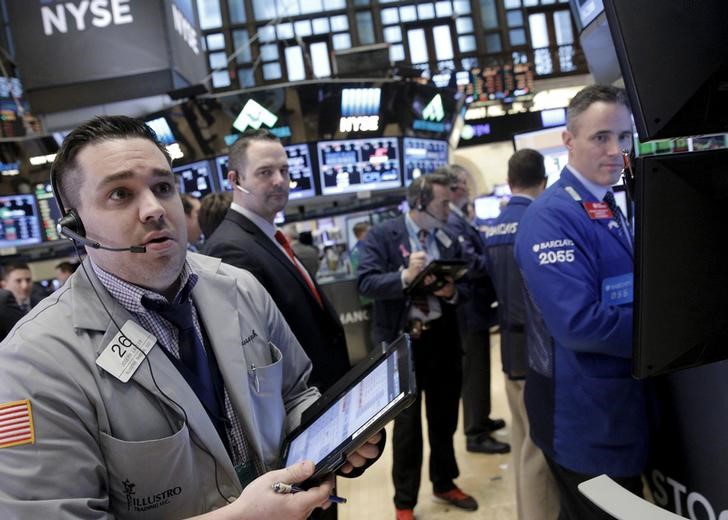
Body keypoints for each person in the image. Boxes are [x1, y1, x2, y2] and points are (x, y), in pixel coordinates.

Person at [0, 115, 381, 519]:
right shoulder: (32, 363)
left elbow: (295, 395)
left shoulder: (240, 288)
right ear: (75, 225)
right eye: (119, 194)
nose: (153, 209)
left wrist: (338, 437)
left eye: (163, 187)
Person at [514, 85, 645, 519]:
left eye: (623, 137)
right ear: (569, 140)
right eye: (601, 137)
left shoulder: (606, 204)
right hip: (583, 424)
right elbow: (579, 323)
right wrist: (662, 329)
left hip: (614, 414)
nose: (615, 150)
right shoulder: (550, 217)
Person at [357, 173, 478, 520]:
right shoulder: (383, 234)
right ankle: (404, 503)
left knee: (444, 419)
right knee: (407, 430)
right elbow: (365, 282)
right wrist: (404, 278)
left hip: (443, 339)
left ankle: (444, 482)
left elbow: (466, 286)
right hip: (403, 342)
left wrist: (451, 292)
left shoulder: (449, 235)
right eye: (442, 202)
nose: (449, 207)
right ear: (420, 202)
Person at [204, 130, 351, 393]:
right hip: (306, 398)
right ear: (234, 179)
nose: (279, 181)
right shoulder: (231, 247)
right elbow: (259, 354)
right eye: (265, 172)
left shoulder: (267, 237)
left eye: (284, 170)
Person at [482, 149, 557, 520]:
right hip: (540, 354)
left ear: (510, 182)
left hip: (511, 353)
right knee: (538, 448)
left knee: (523, 440)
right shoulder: (539, 222)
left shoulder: (493, 229)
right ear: (543, 181)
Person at [444, 165, 509, 455]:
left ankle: (481, 419)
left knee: (480, 370)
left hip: (476, 308)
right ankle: (475, 433)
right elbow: (470, 263)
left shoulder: (460, 219)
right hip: (469, 310)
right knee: (475, 373)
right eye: (462, 185)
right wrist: (494, 260)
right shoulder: (452, 223)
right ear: (452, 190)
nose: (467, 190)